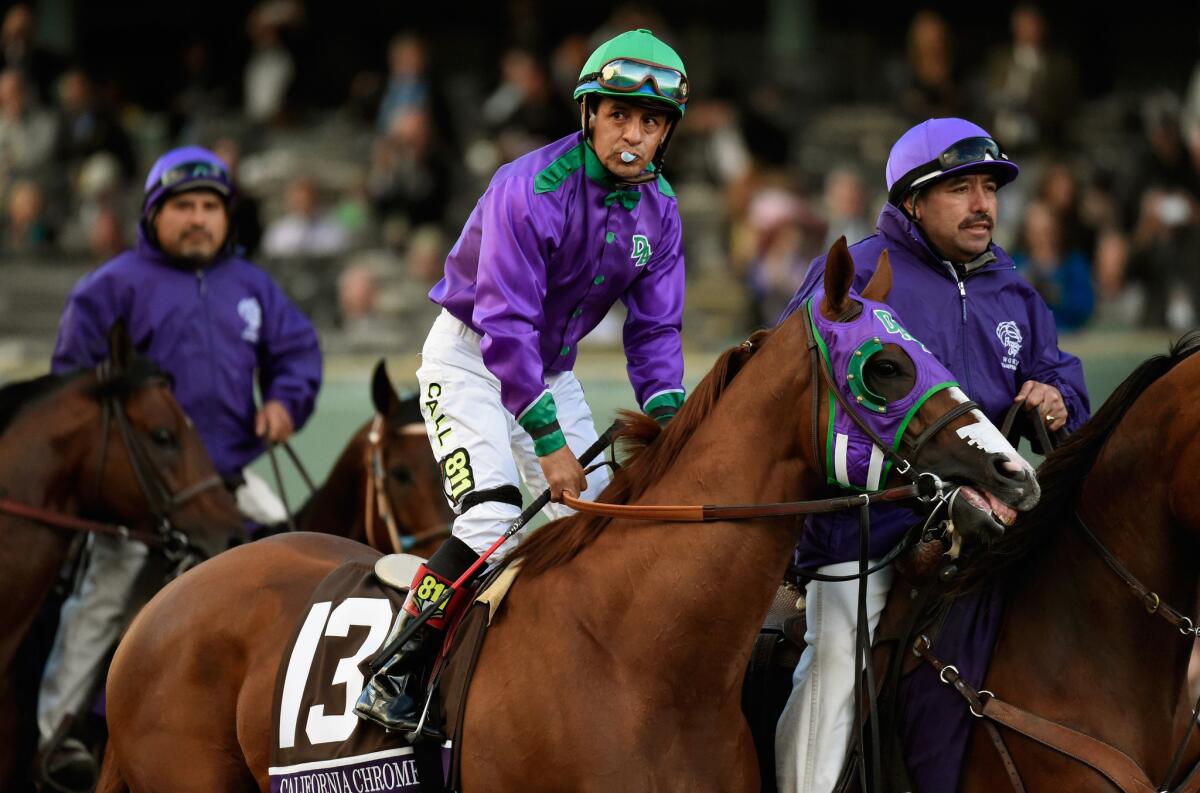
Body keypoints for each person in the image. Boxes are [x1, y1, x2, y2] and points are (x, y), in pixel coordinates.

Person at [355, 28, 690, 734]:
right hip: (472, 357)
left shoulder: (662, 211)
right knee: (490, 518)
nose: (633, 134)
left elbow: (655, 332)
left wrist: (675, 422)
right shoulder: (528, 187)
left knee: (597, 529)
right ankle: (396, 668)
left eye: (651, 121)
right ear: (589, 116)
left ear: (666, 133)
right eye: (619, 115)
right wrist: (548, 445)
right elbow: (505, 329)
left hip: (553, 371)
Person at [774, 118, 1090, 793]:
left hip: (992, 523)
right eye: (960, 188)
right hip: (871, 525)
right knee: (836, 661)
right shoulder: (857, 273)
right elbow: (795, 397)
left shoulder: (1016, 291)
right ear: (912, 201)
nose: (983, 204)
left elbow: (1065, 383)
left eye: (990, 187)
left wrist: (1058, 397)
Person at [40, 144, 322, 784]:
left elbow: (299, 354)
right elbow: (73, 389)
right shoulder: (108, 288)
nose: (198, 219)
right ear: (152, 215)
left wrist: (283, 402)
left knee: (302, 567)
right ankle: (58, 737)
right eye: (184, 207)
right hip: (134, 496)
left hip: (232, 480)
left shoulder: (254, 287)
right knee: (102, 606)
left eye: (209, 208)